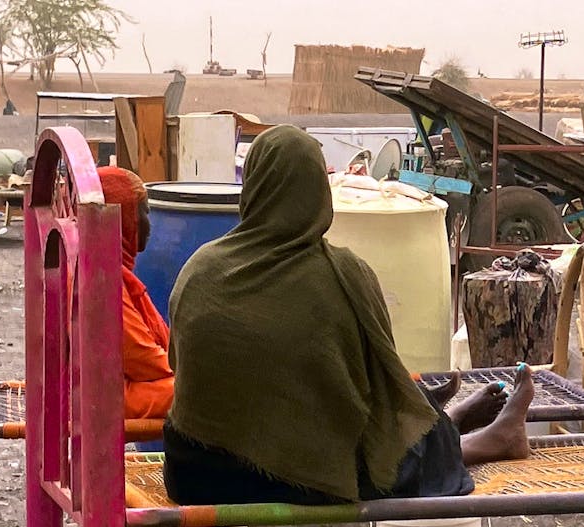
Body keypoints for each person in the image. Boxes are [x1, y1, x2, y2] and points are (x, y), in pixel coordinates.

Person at [163, 125, 534, 506]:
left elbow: (180, 364)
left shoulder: (199, 268)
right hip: (297, 477)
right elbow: (377, 383)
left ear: (252, 187)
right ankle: (485, 440)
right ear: (318, 193)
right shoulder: (343, 274)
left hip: (192, 471)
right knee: (389, 443)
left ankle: (445, 423)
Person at [98, 166, 174, 419]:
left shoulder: (104, 266)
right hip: (103, 396)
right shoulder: (102, 279)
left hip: (104, 386)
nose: (149, 225)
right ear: (124, 219)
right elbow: (143, 361)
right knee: (206, 393)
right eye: (144, 213)